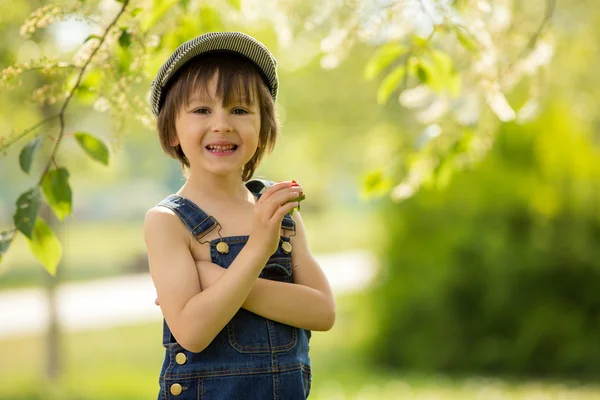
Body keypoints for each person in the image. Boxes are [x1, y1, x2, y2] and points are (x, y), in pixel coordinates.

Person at [143, 31, 336, 400]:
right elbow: (193, 331)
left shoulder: (276, 208)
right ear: (171, 131)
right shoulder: (168, 221)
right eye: (202, 110)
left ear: (263, 127)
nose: (222, 124)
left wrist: (212, 276)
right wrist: (257, 251)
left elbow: (323, 312)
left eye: (240, 110)